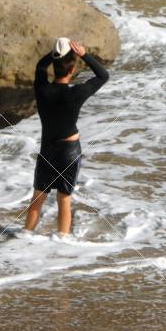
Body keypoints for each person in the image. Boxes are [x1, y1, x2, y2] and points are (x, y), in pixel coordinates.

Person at [24, 37, 109, 235]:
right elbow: (103, 76)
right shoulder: (76, 93)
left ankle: (24, 237)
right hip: (69, 151)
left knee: (37, 198)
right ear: (72, 71)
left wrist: (55, 53)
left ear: (54, 68)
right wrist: (83, 54)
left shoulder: (42, 89)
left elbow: (40, 66)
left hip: (47, 150)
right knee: (64, 200)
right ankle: (62, 243)